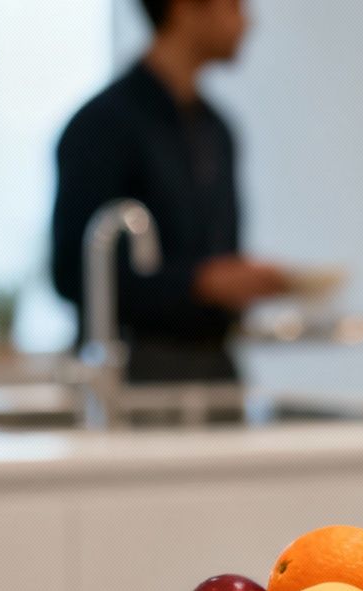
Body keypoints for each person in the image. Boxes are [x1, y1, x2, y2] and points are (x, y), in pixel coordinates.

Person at [50, 0, 288, 383]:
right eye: (233, 6)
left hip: (214, 371)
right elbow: (73, 273)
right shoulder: (101, 127)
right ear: (182, 8)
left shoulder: (218, 129)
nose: (247, 22)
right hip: (136, 373)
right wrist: (200, 282)